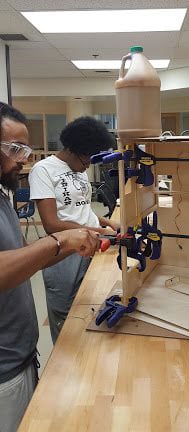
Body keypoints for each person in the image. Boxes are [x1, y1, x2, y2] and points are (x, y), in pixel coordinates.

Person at [0, 102, 101, 432]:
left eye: (25, 148)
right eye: (14, 148)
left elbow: (21, 258)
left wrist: (80, 237)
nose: (24, 158)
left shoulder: (3, 198)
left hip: (21, 354)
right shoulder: (45, 173)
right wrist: (60, 242)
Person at [29, 116, 118, 343]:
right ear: (72, 149)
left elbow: (78, 208)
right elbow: (52, 224)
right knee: (65, 315)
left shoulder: (77, 167)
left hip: (90, 240)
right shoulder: (43, 170)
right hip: (64, 253)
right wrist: (95, 231)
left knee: (87, 306)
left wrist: (105, 223)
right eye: (87, 158)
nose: (88, 165)